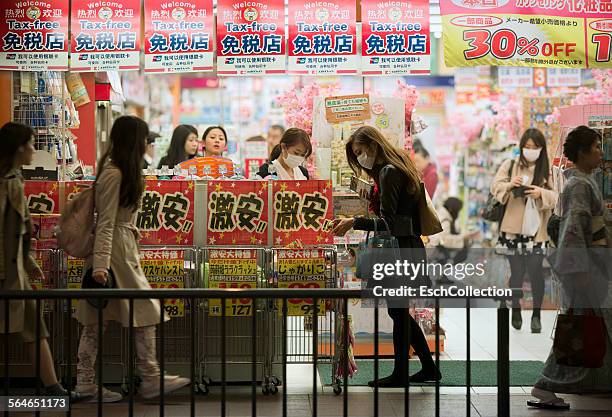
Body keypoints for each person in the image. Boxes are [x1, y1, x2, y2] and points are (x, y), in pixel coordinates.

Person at [75, 116, 190, 402]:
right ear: (133, 141)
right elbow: (106, 221)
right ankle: (148, 377)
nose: (146, 143)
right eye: (143, 138)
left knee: (98, 319)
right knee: (142, 310)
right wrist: (100, 264)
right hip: (116, 254)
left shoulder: (118, 170)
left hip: (118, 250)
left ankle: (87, 382)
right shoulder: (115, 173)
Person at [331, 126, 440, 387]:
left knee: (398, 311)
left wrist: (353, 222)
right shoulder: (398, 165)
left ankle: (401, 373)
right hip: (407, 246)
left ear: (373, 146)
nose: (359, 158)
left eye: (360, 152)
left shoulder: (389, 172)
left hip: (398, 249)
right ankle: (428, 368)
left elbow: (389, 222)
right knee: (399, 311)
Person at [528, 126, 612, 410]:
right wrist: (580, 271)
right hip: (587, 267)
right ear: (582, 152)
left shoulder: (582, 182)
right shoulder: (580, 185)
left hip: (593, 265)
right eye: (597, 147)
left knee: (588, 325)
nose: (601, 152)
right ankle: (545, 385)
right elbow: (574, 229)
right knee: (577, 330)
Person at [0, 122, 84, 400]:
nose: (34, 151)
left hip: (14, 271)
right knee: (33, 328)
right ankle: (53, 388)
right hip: (7, 271)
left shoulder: (13, 179)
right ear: (19, 148)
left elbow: (17, 230)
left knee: (34, 328)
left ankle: (53, 387)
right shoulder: (7, 183)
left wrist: (28, 261)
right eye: (32, 145)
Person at [491, 128, 558, 333]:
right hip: (513, 229)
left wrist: (540, 193)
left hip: (537, 231)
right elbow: (495, 188)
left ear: (541, 148)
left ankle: (536, 314)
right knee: (517, 273)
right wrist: (511, 185)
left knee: (536, 271)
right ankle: (516, 309)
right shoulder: (510, 165)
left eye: (534, 147)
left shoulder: (547, 170)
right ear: (521, 147)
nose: (530, 151)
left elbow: (556, 197)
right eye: (526, 147)